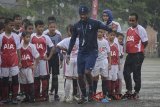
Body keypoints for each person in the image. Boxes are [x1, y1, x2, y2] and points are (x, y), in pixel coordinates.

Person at [67, 5, 111, 104]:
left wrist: (111, 29)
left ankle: (91, 91)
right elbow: (73, 40)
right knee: (80, 75)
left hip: (92, 52)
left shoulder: (94, 23)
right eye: (81, 14)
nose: (83, 16)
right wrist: (68, 53)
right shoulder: (76, 25)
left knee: (87, 72)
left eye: (85, 14)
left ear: (88, 14)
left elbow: (104, 27)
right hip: (82, 53)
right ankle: (83, 96)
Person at [123, 13, 148, 99]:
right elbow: (128, 41)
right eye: (130, 20)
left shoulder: (141, 29)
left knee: (136, 74)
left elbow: (145, 42)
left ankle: (136, 92)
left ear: (137, 20)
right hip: (130, 55)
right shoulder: (129, 29)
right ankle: (129, 91)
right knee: (126, 72)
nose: (131, 22)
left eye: (133, 20)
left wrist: (140, 49)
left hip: (138, 55)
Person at [31, 20, 55, 101]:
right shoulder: (32, 36)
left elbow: (53, 47)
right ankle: (36, 95)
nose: (41, 28)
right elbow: (27, 46)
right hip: (35, 61)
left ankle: (45, 95)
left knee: (44, 79)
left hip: (43, 61)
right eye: (39, 27)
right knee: (36, 79)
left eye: (42, 27)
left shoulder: (46, 37)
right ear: (35, 27)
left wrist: (49, 57)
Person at [0, 18, 21, 104]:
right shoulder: (1, 36)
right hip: (4, 62)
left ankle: (14, 97)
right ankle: (5, 97)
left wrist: (19, 61)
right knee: (5, 80)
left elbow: (18, 49)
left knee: (15, 79)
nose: (12, 27)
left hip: (14, 61)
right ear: (5, 25)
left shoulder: (15, 36)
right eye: (10, 25)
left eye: (13, 25)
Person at [57, 24, 80, 103]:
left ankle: (67, 97)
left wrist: (66, 50)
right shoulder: (80, 39)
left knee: (69, 78)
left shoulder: (67, 40)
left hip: (69, 59)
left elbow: (58, 45)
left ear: (70, 32)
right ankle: (80, 96)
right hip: (78, 60)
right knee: (78, 79)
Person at [19, 32, 39, 103]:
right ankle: (27, 97)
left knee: (31, 82)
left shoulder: (32, 46)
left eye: (29, 37)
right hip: (22, 68)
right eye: (27, 37)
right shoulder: (19, 47)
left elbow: (37, 56)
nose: (28, 38)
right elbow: (17, 56)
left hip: (29, 67)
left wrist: (35, 65)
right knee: (24, 83)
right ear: (23, 38)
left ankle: (32, 98)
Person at [92, 29, 111, 99]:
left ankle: (105, 95)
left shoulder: (106, 42)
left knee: (104, 77)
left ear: (104, 33)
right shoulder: (93, 40)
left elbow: (109, 52)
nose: (99, 33)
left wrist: (109, 63)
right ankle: (93, 94)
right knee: (95, 77)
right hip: (96, 61)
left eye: (101, 32)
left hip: (104, 61)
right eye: (98, 32)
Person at [46, 21, 62, 101]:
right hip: (47, 57)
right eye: (51, 27)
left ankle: (56, 94)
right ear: (48, 27)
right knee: (46, 76)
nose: (52, 29)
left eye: (54, 27)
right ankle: (45, 93)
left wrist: (61, 59)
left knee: (55, 76)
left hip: (55, 57)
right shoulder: (45, 36)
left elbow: (60, 48)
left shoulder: (58, 36)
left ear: (56, 28)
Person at [107, 30, 120, 100]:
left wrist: (119, 64)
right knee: (109, 78)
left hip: (115, 65)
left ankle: (113, 92)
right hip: (109, 65)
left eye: (113, 35)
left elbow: (117, 56)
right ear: (108, 35)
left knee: (114, 78)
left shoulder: (116, 45)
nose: (112, 36)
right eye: (111, 35)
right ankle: (108, 93)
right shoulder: (106, 44)